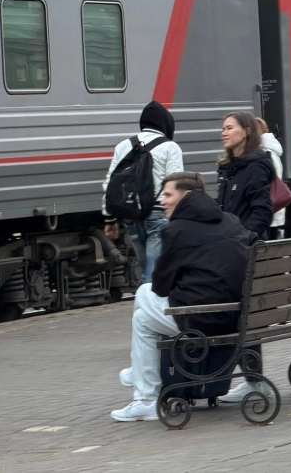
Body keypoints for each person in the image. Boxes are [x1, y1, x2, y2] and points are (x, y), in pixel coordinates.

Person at [111, 172, 252, 422]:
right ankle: (138, 377)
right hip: (244, 315)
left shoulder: (177, 230)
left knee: (143, 303)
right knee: (143, 312)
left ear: (185, 196)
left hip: (206, 321)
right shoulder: (231, 220)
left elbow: (161, 286)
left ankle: (146, 397)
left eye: (168, 195)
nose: (162, 201)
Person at [103, 101, 184, 282]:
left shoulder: (124, 146)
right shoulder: (170, 147)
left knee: (146, 270)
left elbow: (110, 184)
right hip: (159, 214)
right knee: (155, 274)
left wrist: (110, 218)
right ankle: (151, 299)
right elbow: (176, 184)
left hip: (131, 215)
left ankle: (146, 297)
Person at [216, 112, 274, 239]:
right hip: (227, 240)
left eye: (229, 128)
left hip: (245, 244)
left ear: (246, 132)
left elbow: (262, 211)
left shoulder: (256, 167)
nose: (224, 133)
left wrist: (245, 237)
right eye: (223, 129)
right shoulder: (226, 167)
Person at [256, 118, 285, 240]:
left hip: (267, 203)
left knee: (267, 241)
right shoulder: (271, 149)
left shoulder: (265, 153)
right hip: (271, 204)